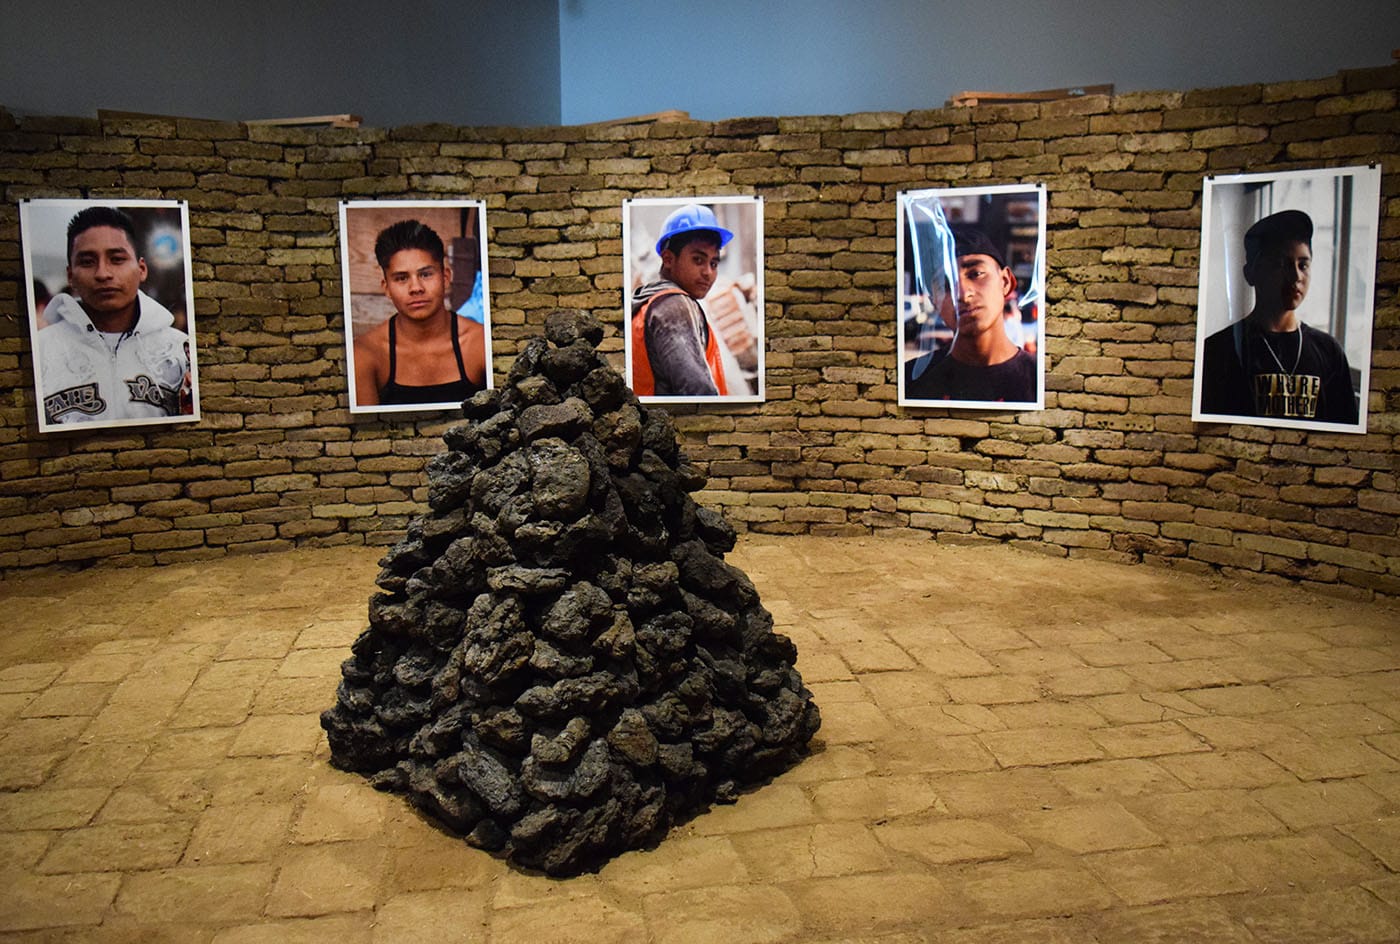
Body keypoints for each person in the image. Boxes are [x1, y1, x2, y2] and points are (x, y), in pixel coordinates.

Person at [37, 206, 192, 426]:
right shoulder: (42, 351)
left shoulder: (180, 350)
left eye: (117, 259)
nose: (103, 273)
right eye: (87, 262)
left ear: (141, 269)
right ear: (70, 275)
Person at [1199, 209, 1357, 424]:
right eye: (1281, 264)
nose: (1296, 276)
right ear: (1251, 274)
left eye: (1303, 264)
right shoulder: (1219, 350)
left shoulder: (1329, 352)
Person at [353, 220, 487, 407]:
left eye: (425, 274)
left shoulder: (480, 343)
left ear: (445, 277)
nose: (416, 288)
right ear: (387, 288)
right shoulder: (365, 354)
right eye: (401, 278)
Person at [904, 224, 1036, 403]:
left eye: (976, 274)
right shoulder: (910, 381)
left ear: (1005, 282)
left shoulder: (1041, 380)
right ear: (934, 300)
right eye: (946, 285)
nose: (963, 294)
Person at [631, 204, 732, 396]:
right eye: (698, 260)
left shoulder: (650, 301)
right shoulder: (673, 306)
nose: (708, 273)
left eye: (714, 263)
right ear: (668, 259)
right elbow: (697, 392)